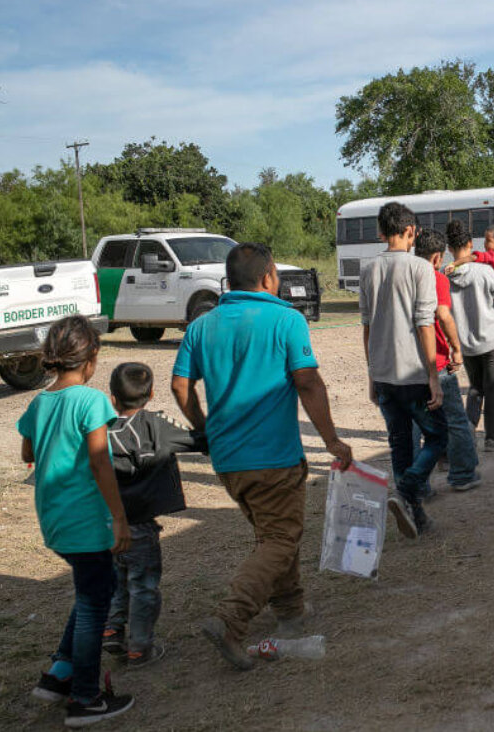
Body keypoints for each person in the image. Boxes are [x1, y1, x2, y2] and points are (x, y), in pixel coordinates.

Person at [171, 242, 353, 672]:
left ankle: (291, 611)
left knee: (274, 534)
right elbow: (308, 383)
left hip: (229, 459)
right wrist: (331, 441)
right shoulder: (286, 319)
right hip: (274, 456)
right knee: (280, 538)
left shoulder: (201, 326)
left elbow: (181, 387)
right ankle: (231, 619)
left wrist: (202, 427)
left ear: (228, 282)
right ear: (269, 276)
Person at [19, 314, 135, 726]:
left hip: (54, 521)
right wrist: (119, 518)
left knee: (92, 592)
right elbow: (100, 462)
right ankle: (85, 698)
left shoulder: (39, 402)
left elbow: (26, 453)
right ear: (91, 358)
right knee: (94, 604)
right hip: (87, 521)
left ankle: (58, 674)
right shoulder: (90, 401)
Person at [101, 362, 206, 669]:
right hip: (141, 528)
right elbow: (196, 440)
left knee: (115, 581)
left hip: (108, 523)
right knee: (143, 586)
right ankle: (139, 647)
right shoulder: (154, 425)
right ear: (151, 395)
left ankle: (111, 629)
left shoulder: (100, 429)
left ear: (113, 398)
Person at [358, 202, 448, 536]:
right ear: (411, 231)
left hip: (383, 374)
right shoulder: (420, 268)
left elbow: (366, 326)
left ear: (382, 232)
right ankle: (408, 489)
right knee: (438, 436)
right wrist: (433, 376)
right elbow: (425, 324)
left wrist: (370, 374)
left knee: (399, 444)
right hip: (412, 373)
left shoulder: (368, 270)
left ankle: (415, 515)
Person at [414, 228, 483, 490]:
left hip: (409, 364)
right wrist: (456, 348)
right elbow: (443, 315)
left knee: (414, 424)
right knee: (455, 419)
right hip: (438, 362)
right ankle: (463, 474)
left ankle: (417, 486)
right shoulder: (436, 278)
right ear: (436, 257)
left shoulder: (405, 276)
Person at [444, 227, 494, 451]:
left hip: (466, 343)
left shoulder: (445, 277)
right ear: (470, 244)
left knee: (475, 388)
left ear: (449, 249)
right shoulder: (484, 271)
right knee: (493, 387)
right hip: (493, 340)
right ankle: (491, 438)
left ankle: (469, 430)